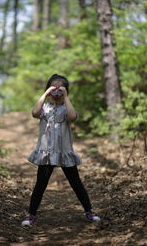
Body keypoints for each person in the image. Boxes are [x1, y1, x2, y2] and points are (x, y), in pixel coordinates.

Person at [21, 74, 100, 226]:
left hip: (64, 152)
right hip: (46, 153)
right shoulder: (44, 107)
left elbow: (72, 117)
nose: (56, 93)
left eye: (60, 90)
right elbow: (34, 113)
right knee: (40, 184)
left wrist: (66, 97)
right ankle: (31, 215)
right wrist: (45, 93)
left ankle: (89, 211)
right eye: (53, 89)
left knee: (76, 183)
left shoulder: (66, 107)